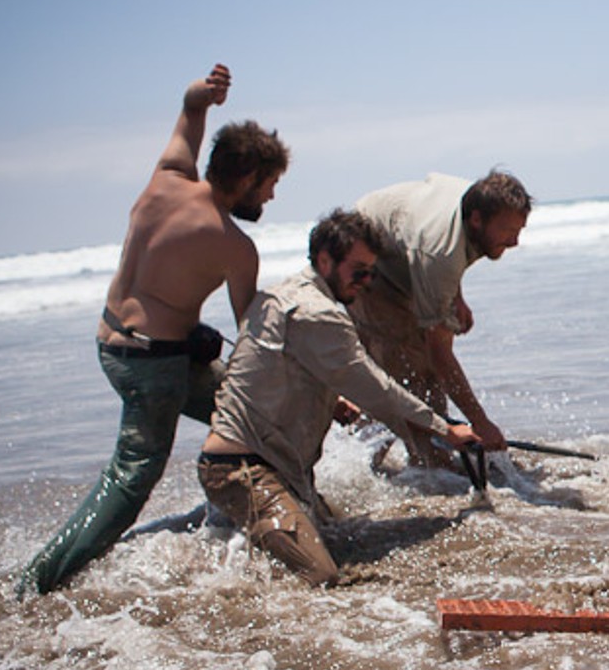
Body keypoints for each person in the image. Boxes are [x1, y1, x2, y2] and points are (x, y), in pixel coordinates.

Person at [15, 65, 290, 597]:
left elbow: (190, 108)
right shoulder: (235, 247)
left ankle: (239, 526)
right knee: (132, 477)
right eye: (270, 185)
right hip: (152, 368)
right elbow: (252, 343)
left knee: (246, 421)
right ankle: (38, 583)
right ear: (248, 178)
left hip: (118, 344)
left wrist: (206, 94)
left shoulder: (167, 177)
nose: (272, 198)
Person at [197, 209, 481, 585]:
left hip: (262, 465)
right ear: (325, 260)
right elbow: (376, 388)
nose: (366, 282)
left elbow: (272, 373)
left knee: (342, 537)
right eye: (359, 271)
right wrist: (445, 429)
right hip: (242, 471)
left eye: (372, 273)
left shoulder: (279, 295)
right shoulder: (320, 313)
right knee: (321, 575)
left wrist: (331, 402)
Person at [349, 170, 531, 464]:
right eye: (507, 231)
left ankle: (414, 454)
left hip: (406, 252)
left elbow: (446, 253)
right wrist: (480, 421)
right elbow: (440, 354)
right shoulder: (439, 254)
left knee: (420, 377)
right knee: (414, 375)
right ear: (475, 219)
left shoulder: (472, 208)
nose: (514, 242)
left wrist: (455, 296)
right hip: (369, 266)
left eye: (519, 231)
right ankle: (412, 465)